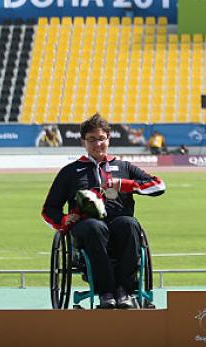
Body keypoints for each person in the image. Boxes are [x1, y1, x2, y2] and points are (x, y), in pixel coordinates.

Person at [41, 114, 165, 309]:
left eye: (101, 138)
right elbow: (49, 209)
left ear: (109, 139)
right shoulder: (70, 172)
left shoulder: (124, 167)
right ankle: (106, 292)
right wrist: (64, 219)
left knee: (130, 224)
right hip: (87, 229)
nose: (97, 143)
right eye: (91, 139)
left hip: (119, 226)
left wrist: (124, 185)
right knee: (94, 227)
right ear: (83, 141)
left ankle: (124, 291)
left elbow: (159, 186)